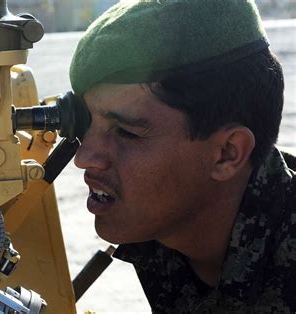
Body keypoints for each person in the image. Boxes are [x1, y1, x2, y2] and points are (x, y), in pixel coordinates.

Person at [69, 0, 296, 312]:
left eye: (126, 132)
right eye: (87, 123)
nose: (84, 158)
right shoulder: (159, 231)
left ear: (227, 154)